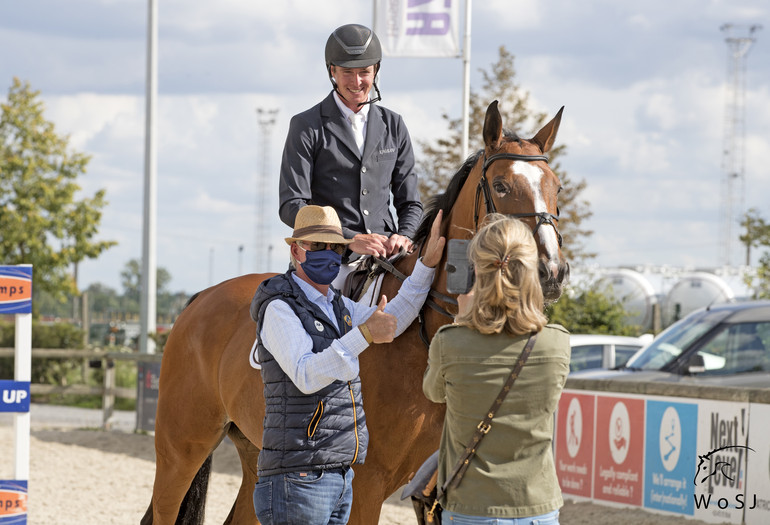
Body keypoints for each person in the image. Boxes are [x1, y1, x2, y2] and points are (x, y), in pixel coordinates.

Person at [250, 205, 445, 525]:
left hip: (337, 476)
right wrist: (365, 335)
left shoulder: (338, 307)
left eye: (335, 248)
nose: (327, 254)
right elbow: (306, 374)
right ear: (296, 250)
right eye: (317, 246)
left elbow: (393, 321)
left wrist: (426, 265)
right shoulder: (279, 308)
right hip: (296, 478)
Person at [423, 214, 571, 524]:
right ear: (532, 271)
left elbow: (434, 393)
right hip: (538, 506)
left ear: (475, 269)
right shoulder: (557, 343)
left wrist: (463, 321)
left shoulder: (449, 341)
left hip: (471, 507)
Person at [278, 23, 422, 262]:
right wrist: (348, 239)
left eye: (364, 72)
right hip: (328, 257)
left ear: (375, 70)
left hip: (387, 252)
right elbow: (291, 205)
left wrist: (405, 234)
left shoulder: (394, 125)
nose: (357, 82)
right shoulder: (306, 125)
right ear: (332, 71)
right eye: (347, 72)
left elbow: (411, 203)